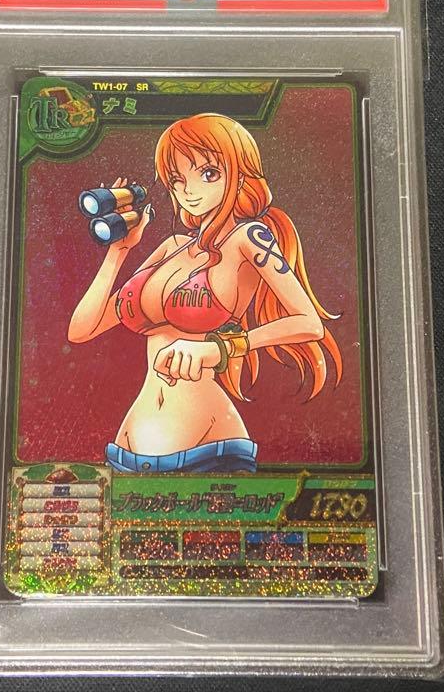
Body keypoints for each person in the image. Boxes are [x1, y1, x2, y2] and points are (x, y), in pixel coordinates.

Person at [67, 113, 341, 474]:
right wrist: (118, 251)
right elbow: (81, 330)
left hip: (207, 452)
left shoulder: (248, 238)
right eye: (177, 179)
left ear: (240, 173)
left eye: (208, 173)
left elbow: (308, 323)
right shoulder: (172, 247)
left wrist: (219, 348)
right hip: (126, 452)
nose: (188, 191)